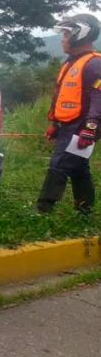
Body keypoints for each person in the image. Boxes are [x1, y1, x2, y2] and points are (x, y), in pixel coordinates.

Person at [37, 14, 101, 215]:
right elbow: (61, 96)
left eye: (66, 33)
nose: (62, 38)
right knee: (78, 165)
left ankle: (42, 210)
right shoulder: (71, 63)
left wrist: (90, 128)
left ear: (79, 34)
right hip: (69, 124)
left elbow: (99, 98)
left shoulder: (94, 64)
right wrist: (54, 123)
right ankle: (85, 209)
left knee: (60, 163)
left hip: (84, 126)